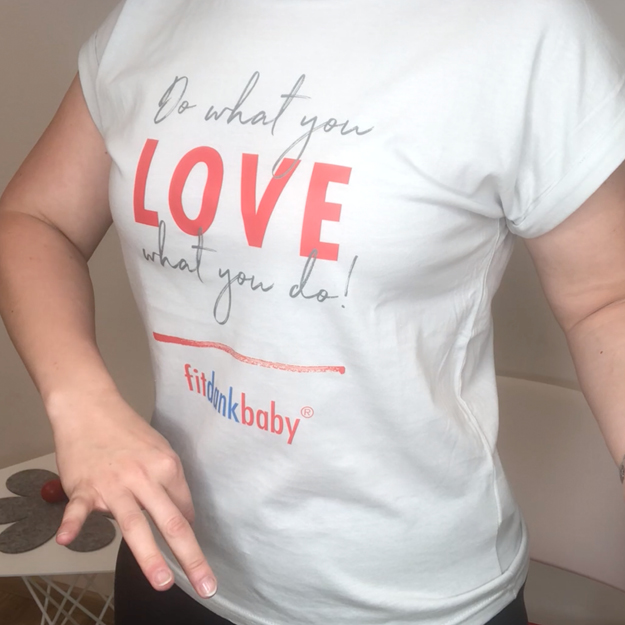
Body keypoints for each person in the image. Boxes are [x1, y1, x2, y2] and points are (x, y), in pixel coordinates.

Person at [2, 0, 625, 623]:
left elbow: (605, 299)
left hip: (415, 603)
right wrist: (80, 402)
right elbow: (35, 219)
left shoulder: (527, 27)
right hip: (173, 570)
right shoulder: (148, 17)